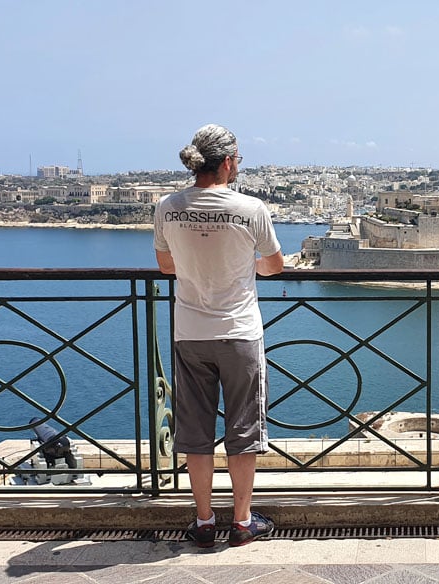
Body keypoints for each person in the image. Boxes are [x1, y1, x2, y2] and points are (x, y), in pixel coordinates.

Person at [154, 123, 284, 548]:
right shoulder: (251, 208)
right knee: (243, 429)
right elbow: (274, 265)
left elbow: (166, 267)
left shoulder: (167, 207)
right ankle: (243, 522)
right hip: (240, 333)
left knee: (194, 431)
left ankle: (205, 521)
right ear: (229, 162)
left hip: (190, 332)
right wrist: (247, 268)